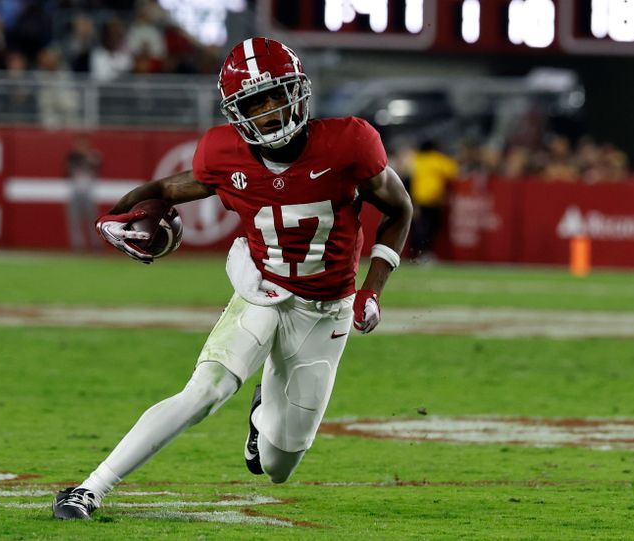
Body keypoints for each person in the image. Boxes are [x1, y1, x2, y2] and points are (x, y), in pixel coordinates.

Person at [52, 37, 413, 520]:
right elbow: (164, 189)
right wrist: (116, 219)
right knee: (205, 391)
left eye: (275, 94)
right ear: (236, 111)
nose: (268, 110)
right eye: (254, 101)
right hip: (260, 286)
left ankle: (263, 408)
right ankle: (89, 488)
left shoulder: (350, 142)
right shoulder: (224, 153)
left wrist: (373, 289)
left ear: (299, 90)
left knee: (278, 464)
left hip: (326, 308)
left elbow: (400, 209)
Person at [409, 139, 458, 263]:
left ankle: (420, 253)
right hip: (433, 200)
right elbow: (453, 171)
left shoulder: (417, 159)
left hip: (418, 200)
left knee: (420, 228)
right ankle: (425, 254)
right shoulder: (437, 159)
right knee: (430, 229)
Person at [64, 134, 101, 251]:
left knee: (92, 221)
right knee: (75, 222)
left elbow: (97, 165)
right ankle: (78, 246)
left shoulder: (93, 156)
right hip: (75, 193)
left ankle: (96, 245)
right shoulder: (72, 157)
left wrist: (88, 158)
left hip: (88, 194)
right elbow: (67, 170)